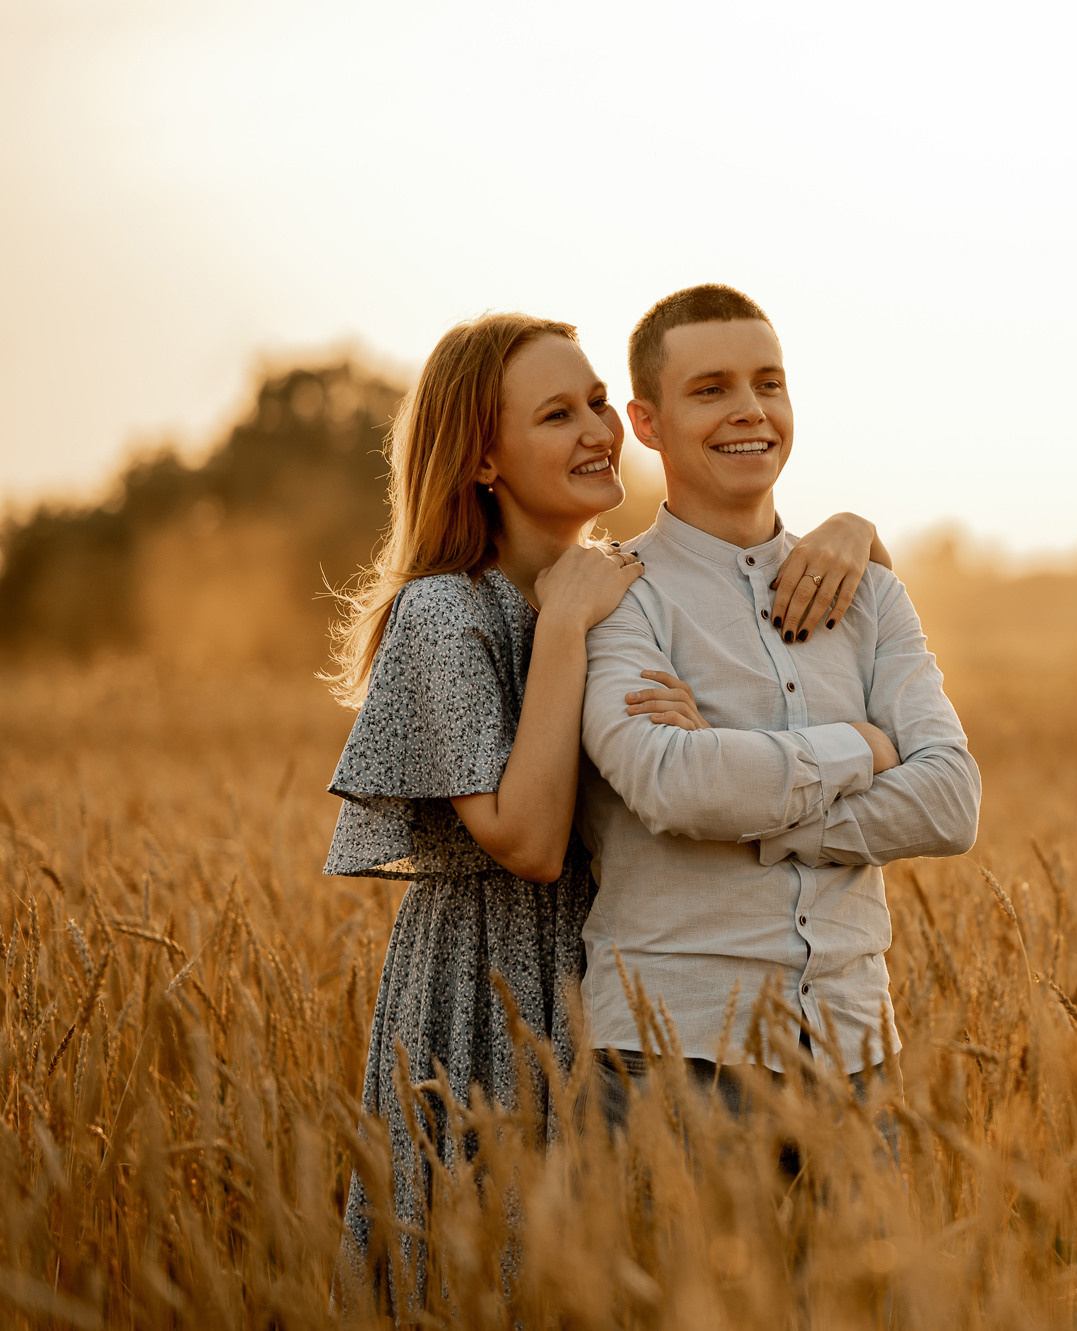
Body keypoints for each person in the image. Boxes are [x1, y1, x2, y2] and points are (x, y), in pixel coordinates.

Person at [319, 311, 889, 1311]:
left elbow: (728, 746)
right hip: (492, 987)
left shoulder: (631, 586)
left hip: (632, 973)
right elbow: (529, 840)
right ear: (482, 456)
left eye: (595, 404)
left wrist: (853, 532)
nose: (595, 431)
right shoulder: (446, 612)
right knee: (490, 1273)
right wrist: (565, 630)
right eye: (555, 414)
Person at [576, 284, 981, 1128]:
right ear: (647, 423)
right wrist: (863, 746)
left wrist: (757, 806)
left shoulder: (871, 594)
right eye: (711, 388)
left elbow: (951, 800)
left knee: (872, 1270)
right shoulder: (615, 594)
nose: (750, 410)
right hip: (675, 1047)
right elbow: (672, 786)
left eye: (769, 381)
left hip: (857, 1044)